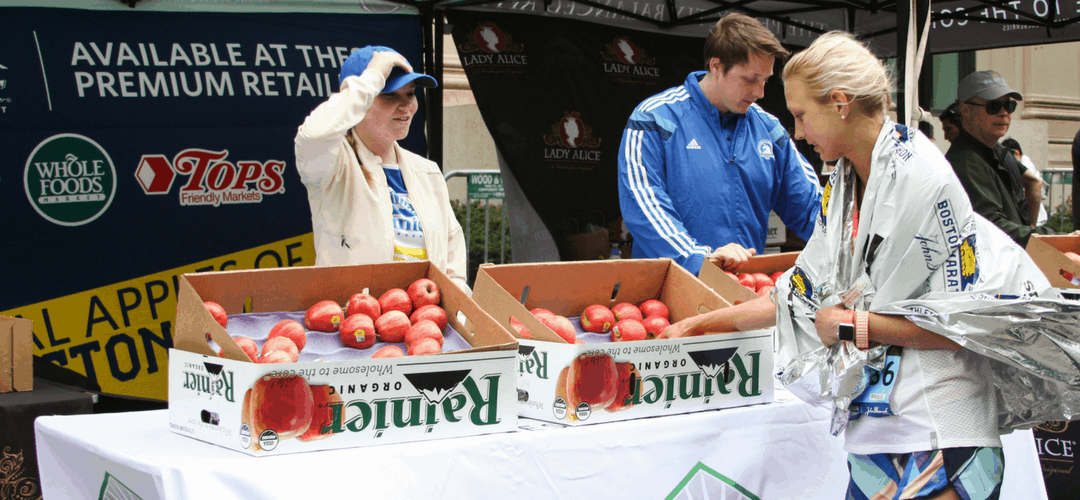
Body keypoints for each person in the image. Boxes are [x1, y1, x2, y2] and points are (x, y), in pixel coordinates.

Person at [663, 31, 1035, 499]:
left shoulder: (920, 177)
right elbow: (800, 297)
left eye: (801, 115)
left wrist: (853, 325)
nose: (798, 133)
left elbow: (959, 322)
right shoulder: (843, 184)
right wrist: (701, 325)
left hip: (942, 435)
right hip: (876, 440)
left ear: (839, 102)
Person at [616, 13, 821, 275]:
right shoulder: (655, 118)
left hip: (744, 293)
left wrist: (855, 244)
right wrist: (699, 259)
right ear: (716, 66)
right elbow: (643, 204)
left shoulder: (769, 129)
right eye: (750, 79)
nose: (760, 93)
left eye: (765, 80)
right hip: (669, 297)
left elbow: (811, 209)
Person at [294, 46, 469, 291]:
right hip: (352, 321)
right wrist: (373, 77)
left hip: (425, 323)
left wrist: (456, 311)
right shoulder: (335, 162)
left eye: (410, 94)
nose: (406, 105)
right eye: (389, 96)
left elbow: (452, 259)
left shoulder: (427, 171)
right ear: (359, 100)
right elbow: (313, 134)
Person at [945, 70, 1059, 246]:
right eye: (993, 106)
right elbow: (992, 226)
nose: (1004, 113)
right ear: (965, 110)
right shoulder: (966, 161)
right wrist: (1048, 237)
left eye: (1009, 106)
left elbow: (1033, 183)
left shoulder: (993, 150)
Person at [1000, 137, 1047, 226]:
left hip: (1032, 217)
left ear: (1017, 153)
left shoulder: (1025, 165)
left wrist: (1032, 223)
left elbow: (1036, 185)